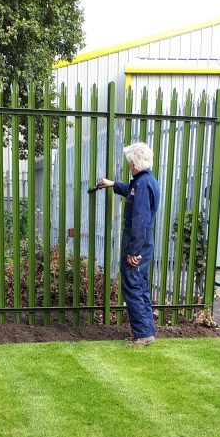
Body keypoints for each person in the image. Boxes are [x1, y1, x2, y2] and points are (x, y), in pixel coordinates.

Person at [97, 142, 160, 347]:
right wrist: (113, 184)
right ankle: (147, 331)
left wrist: (133, 252)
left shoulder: (142, 184)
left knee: (132, 287)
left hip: (137, 245)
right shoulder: (146, 181)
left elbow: (140, 220)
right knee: (140, 287)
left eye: (129, 163)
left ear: (134, 164)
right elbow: (130, 191)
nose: (129, 166)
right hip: (143, 244)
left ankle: (142, 335)